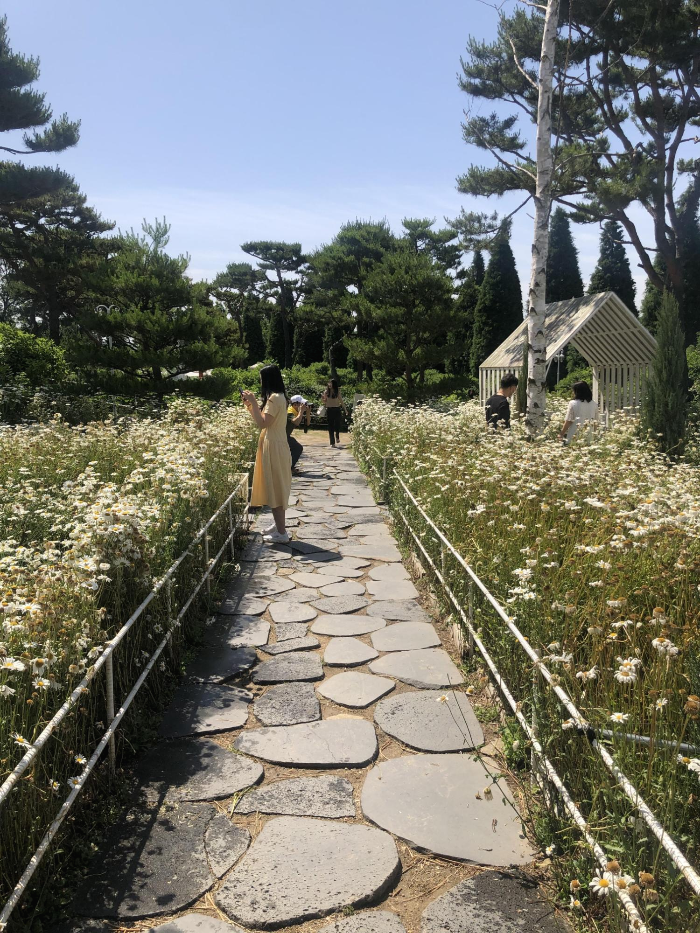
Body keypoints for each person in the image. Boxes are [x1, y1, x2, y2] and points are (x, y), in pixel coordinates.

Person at [242, 364, 292, 544]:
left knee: (276, 488)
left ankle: (281, 533)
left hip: (274, 445)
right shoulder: (279, 397)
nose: (260, 382)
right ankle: (279, 526)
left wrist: (254, 402)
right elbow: (262, 420)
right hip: (277, 443)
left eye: (261, 379)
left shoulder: (274, 398)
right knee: (276, 485)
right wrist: (251, 406)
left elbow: (263, 423)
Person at [287, 394, 311, 473]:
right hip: (281, 436)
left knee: (295, 447)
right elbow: (296, 422)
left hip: (285, 435)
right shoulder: (290, 411)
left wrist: (308, 412)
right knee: (297, 448)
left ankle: (289, 467)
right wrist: (301, 411)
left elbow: (307, 424)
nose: (304, 406)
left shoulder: (296, 412)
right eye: (302, 404)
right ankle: (289, 468)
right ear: (295, 404)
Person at [321, 378, 348, 447]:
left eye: (331, 383)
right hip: (329, 410)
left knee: (337, 425)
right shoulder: (326, 392)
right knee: (330, 426)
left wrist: (345, 410)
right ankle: (332, 442)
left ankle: (337, 436)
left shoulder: (337, 391)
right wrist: (323, 399)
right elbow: (325, 402)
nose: (329, 384)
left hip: (337, 409)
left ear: (334, 384)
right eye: (329, 383)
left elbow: (341, 401)